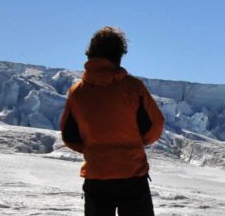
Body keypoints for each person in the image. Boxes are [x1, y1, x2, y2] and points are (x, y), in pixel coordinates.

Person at [60, 26, 165, 216]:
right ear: (118, 56)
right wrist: (137, 143)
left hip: (96, 175)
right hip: (133, 174)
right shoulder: (133, 88)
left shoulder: (78, 92)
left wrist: (92, 148)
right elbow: (155, 126)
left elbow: (69, 135)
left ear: (91, 54)